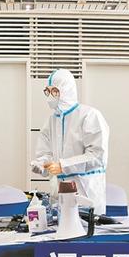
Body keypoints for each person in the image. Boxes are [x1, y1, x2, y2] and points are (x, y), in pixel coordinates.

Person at [32, 69, 109, 214]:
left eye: (55, 91)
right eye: (48, 91)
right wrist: (42, 164)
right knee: (61, 224)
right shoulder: (51, 121)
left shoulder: (89, 116)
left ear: (66, 90)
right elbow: (46, 153)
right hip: (59, 193)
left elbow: (97, 156)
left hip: (86, 191)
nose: (50, 97)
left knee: (85, 225)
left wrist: (63, 166)